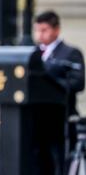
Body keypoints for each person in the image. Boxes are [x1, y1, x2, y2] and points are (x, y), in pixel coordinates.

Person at [33, 10, 85, 174]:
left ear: (56, 30)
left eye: (45, 30)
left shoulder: (70, 53)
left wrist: (51, 78)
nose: (40, 35)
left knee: (61, 163)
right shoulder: (32, 53)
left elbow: (78, 83)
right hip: (37, 119)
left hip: (61, 119)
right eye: (38, 30)